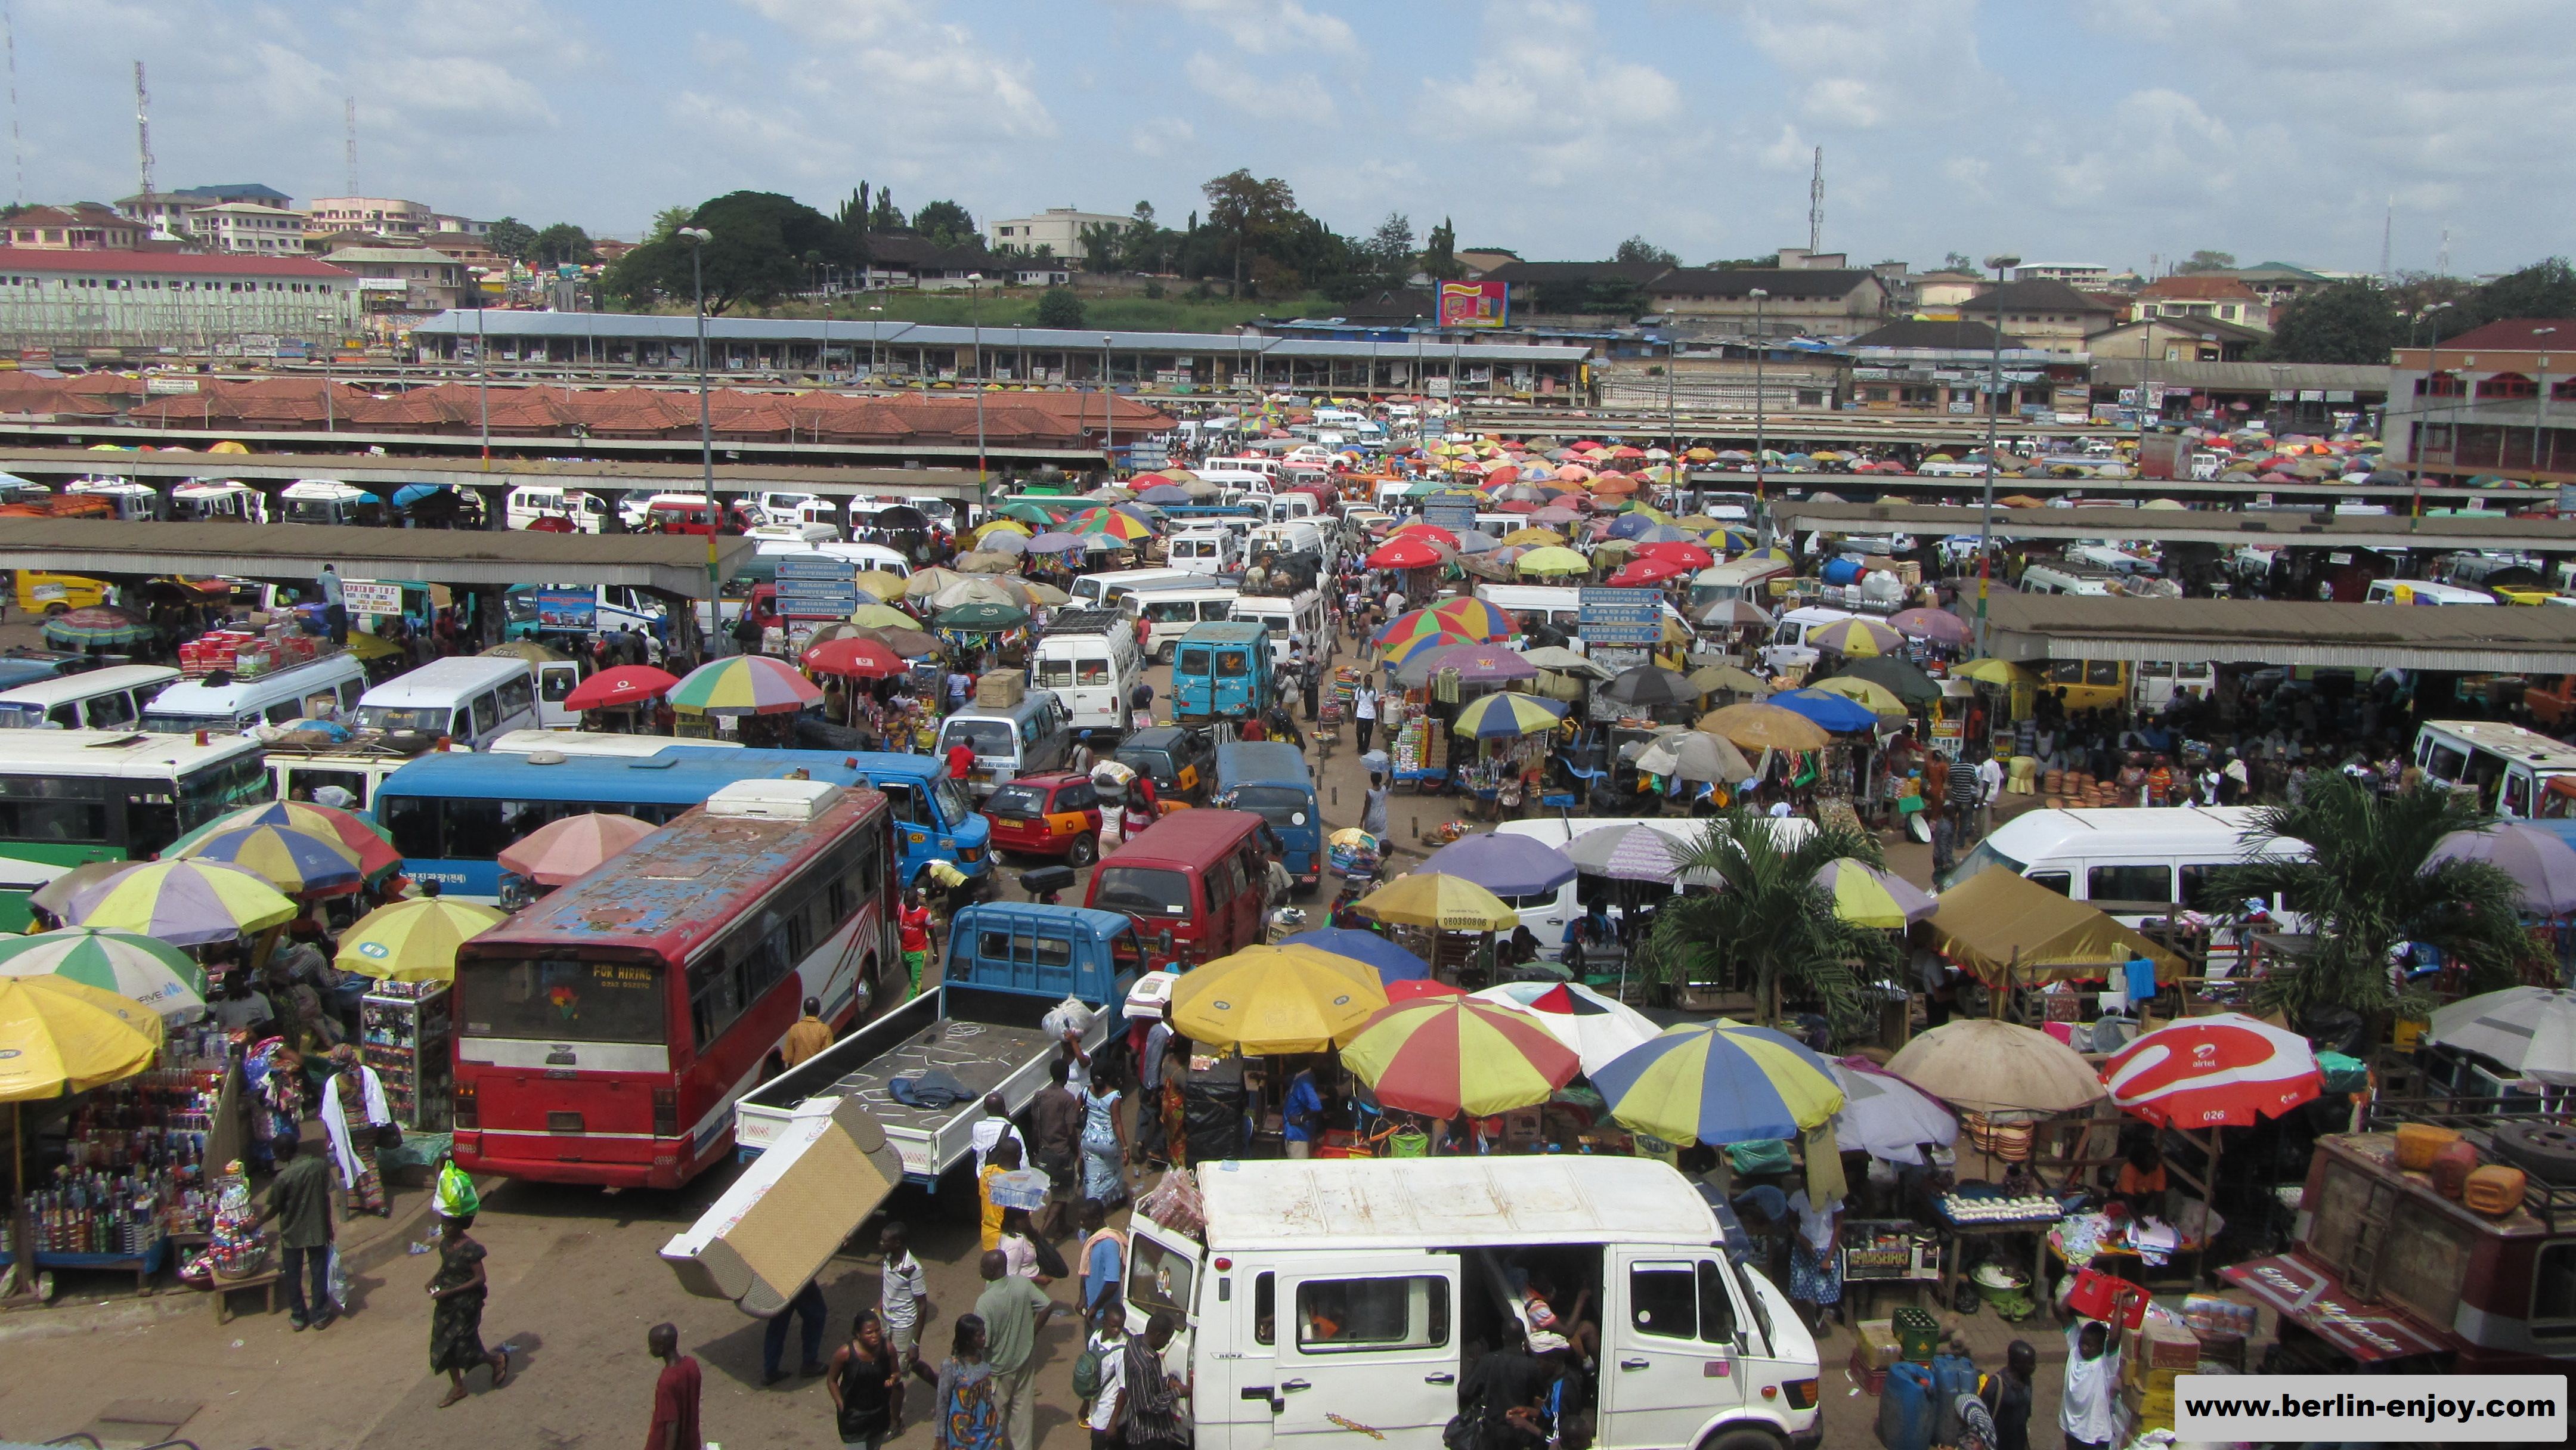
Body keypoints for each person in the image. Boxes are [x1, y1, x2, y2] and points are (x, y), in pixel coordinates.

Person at [425, 1210, 512, 1406]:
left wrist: (453, 1291)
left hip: (466, 1304)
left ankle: (496, 1361)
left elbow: (480, 1278)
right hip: (447, 1305)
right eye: (443, 1225)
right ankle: (458, 1387)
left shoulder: (471, 1249)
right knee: (444, 1344)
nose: (444, 1229)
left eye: (448, 1225)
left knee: (465, 1346)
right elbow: (446, 1266)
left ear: (459, 1226)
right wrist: (435, 1278)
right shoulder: (445, 1245)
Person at [974, 1247, 1055, 1450]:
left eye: (983, 1266)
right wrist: (1032, 1333)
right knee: (1022, 1410)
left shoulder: (985, 1302)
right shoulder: (1022, 1283)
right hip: (1025, 1360)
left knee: (994, 1415)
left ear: (993, 1270)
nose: (980, 1269)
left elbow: (984, 1341)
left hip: (998, 1369)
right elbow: (1047, 1306)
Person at [254, 1133, 337, 1331]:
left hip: (293, 1232)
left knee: (293, 1274)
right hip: (318, 1229)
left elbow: (274, 1208)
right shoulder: (320, 1165)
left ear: (284, 1151)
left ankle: (299, 1316)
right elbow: (326, 1198)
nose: (276, 1159)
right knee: (319, 1272)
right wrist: (329, 1226)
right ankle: (319, 1314)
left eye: (276, 1154)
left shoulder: (284, 1177)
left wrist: (257, 1223)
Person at [318, 1043, 392, 1216]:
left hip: (347, 1129)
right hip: (368, 1125)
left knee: (348, 1161)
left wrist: (329, 1137)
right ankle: (373, 1200)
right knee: (369, 1161)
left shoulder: (336, 1082)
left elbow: (329, 1113)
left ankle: (361, 1200)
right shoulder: (366, 1074)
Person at [1460, 1317, 1553, 1450]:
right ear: (1524, 1337)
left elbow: (1465, 1390)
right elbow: (1546, 1396)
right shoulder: (1533, 1366)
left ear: (1503, 1337)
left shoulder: (1488, 1361)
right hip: (1522, 1433)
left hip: (1492, 1433)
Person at [912, 1314, 999, 1450]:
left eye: (984, 1334)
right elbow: (943, 1401)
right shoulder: (952, 1366)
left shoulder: (982, 1356)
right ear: (967, 1339)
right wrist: (940, 1438)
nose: (984, 1338)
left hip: (987, 1425)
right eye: (979, 1335)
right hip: (962, 1432)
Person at [878, 1221, 930, 1430]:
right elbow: (887, 1289)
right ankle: (942, 1386)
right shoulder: (888, 1259)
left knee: (895, 1376)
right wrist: (878, 1308)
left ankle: (895, 1422)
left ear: (897, 1243)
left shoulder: (913, 1269)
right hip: (886, 1321)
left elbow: (922, 1306)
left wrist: (915, 1343)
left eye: (885, 1241)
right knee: (907, 1364)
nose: (880, 1243)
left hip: (904, 1327)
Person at [828, 1308, 901, 1450]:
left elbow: (897, 1373)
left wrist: (893, 1379)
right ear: (858, 1334)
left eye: (877, 1330)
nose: (875, 1335)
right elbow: (831, 1380)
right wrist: (841, 1404)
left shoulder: (888, 1348)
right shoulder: (845, 1353)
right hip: (854, 1417)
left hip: (879, 1414)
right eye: (869, 1333)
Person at [1120, 1309, 1192, 1450]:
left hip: (1140, 1428)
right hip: (1147, 1436)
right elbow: (1149, 1405)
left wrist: (1166, 1382)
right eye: (1168, 1338)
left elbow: (1145, 1384)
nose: (1168, 1342)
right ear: (1158, 1335)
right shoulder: (1144, 1366)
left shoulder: (1134, 1343)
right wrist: (1177, 1392)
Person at [1029, 1056, 1083, 1234]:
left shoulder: (1039, 1096)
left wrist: (1037, 1151)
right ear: (1066, 1076)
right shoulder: (1067, 1099)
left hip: (1044, 1153)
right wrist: (1076, 1152)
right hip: (1061, 1154)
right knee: (1064, 1194)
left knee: (1057, 1189)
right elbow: (1070, 1131)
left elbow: (1035, 1126)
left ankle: (1062, 1226)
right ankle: (1042, 1233)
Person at [1785, 1179, 1844, 1331]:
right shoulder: (1798, 1197)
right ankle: (1799, 1325)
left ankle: (1819, 1317)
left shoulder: (1833, 1197)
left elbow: (1838, 1227)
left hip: (1826, 1248)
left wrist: (1828, 1258)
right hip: (1805, 1249)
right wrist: (1800, 1238)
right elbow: (1790, 1220)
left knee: (1823, 1292)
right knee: (1799, 1290)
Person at [2060, 1317, 2123, 1450]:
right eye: (2082, 1343)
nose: (2084, 1348)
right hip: (2073, 1433)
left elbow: (2114, 1339)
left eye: (2089, 1346)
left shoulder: (2105, 1365)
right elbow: (2062, 1312)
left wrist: (2120, 1299)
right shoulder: (2075, 1351)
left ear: (2101, 1347)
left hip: (2094, 1438)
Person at [764, 1275, 832, 1386]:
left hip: (776, 1278)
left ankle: (771, 1369)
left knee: (778, 1323)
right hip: (796, 1276)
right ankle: (809, 1363)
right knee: (816, 1315)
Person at [646, 1321, 704, 1450]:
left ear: (661, 1348)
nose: (649, 1349)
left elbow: (672, 1423)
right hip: (691, 1443)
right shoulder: (691, 1365)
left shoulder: (666, 1381)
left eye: (652, 1345)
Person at [1080, 1302, 1130, 1450]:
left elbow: (1124, 1388)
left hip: (1109, 1413)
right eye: (1113, 1326)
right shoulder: (1095, 1339)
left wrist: (1113, 1423)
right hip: (1096, 1409)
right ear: (1104, 1323)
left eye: (1120, 1326)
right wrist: (1085, 1404)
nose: (1117, 1330)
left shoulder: (1121, 1350)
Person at [1080, 1061, 1131, 1206]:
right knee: (1114, 1172)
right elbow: (1116, 1122)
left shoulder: (1085, 1092)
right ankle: (1114, 1198)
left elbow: (1077, 1113)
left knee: (1092, 1174)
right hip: (1108, 1143)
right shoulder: (1114, 1096)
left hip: (1089, 1140)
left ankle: (1092, 1201)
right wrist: (1125, 1148)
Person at [1076, 1198, 1128, 1322]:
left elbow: (1112, 1283)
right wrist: (1083, 1297)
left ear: (1097, 1220)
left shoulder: (1109, 1244)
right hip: (1091, 1309)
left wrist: (1094, 1308)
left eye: (1084, 1220)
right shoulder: (1093, 1239)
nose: (1081, 1223)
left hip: (1102, 1315)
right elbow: (1086, 1270)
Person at [1979, 1337, 2036, 1450]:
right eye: (2030, 1364)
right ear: (2016, 1364)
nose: (2034, 1367)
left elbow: (2024, 1419)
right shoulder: (1996, 1384)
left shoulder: (2027, 1382)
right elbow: (1981, 1419)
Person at [979, 1135, 1024, 1254]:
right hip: (1009, 1240)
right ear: (1019, 1155)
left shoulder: (986, 1172)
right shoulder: (1021, 1182)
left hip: (988, 1235)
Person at [971, 1092, 1024, 1175]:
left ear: (984, 1108)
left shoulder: (977, 1127)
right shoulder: (1012, 1131)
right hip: (1003, 1179)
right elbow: (1023, 1160)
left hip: (984, 1176)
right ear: (1004, 1108)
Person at [1282, 1063, 1324, 1159]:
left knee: (1299, 1170)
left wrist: (1301, 1119)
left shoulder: (1305, 1082)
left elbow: (1317, 1107)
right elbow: (1284, 1079)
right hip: (1293, 1132)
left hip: (1299, 1136)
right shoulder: (1300, 1077)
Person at [899, 889, 934, 999]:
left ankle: (907, 1007)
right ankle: (919, 996)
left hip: (919, 952)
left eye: (910, 901)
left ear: (916, 901)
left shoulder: (925, 914)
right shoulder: (902, 909)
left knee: (915, 982)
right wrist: (898, 930)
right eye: (906, 901)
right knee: (913, 979)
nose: (907, 904)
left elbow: (933, 934)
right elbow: (896, 918)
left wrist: (936, 953)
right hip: (905, 951)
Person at [783, 997, 834, 1069]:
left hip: (798, 1072)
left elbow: (788, 1057)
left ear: (805, 1010)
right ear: (818, 1010)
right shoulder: (824, 1029)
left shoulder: (794, 1029)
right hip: (817, 1071)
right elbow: (829, 1056)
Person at [317, 563, 347, 645]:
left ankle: (337, 643)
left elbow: (320, 588)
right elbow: (342, 591)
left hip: (333, 602)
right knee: (342, 623)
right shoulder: (337, 578)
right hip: (341, 602)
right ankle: (343, 641)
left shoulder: (323, 575)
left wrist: (319, 601)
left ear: (325, 570)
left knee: (335, 623)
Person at [1353, 681, 1379, 753]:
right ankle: (1360, 746)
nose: (1369, 682)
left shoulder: (1375, 691)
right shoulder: (1359, 690)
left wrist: (1377, 717)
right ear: (1364, 681)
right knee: (1359, 732)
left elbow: (1376, 705)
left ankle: (1365, 748)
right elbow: (1356, 703)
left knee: (1368, 734)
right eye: (1367, 680)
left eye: (1370, 681)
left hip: (1370, 715)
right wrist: (1353, 715)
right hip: (1360, 714)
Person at [1362, 770, 1391, 837]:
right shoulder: (1384, 789)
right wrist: (1389, 767)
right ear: (1381, 779)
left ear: (1371, 780)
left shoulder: (1369, 793)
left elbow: (1366, 808)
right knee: (1382, 836)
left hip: (1371, 817)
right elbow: (1390, 777)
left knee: (1370, 838)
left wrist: (1362, 820)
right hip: (1381, 816)